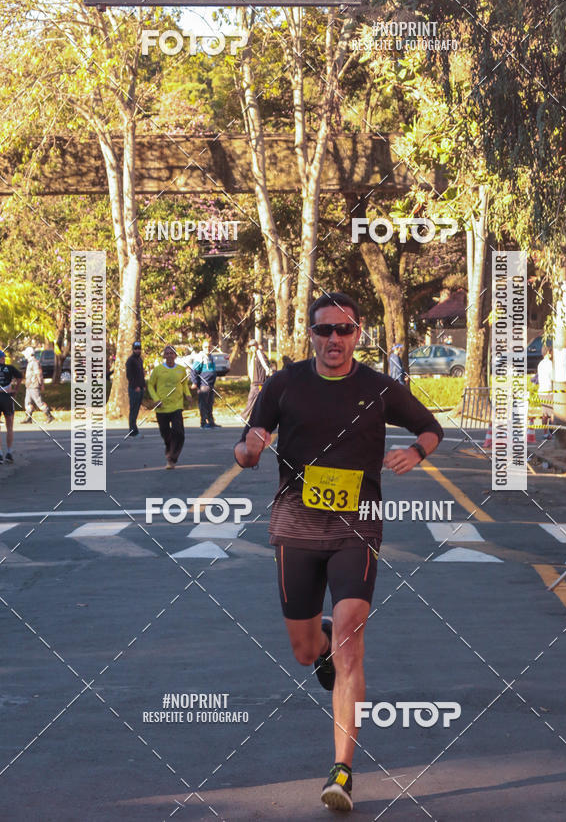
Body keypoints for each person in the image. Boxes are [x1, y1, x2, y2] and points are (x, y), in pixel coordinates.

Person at [234, 292, 443, 812]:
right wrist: (248, 451)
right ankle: (320, 642)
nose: (334, 339)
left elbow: (431, 427)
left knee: (352, 644)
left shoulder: (377, 387)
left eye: (344, 330)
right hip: (296, 527)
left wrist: (415, 453)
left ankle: (342, 772)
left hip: (358, 528)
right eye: (324, 330)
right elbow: (252, 436)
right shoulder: (284, 383)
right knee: (307, 652)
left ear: (358, 333)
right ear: (311, 334)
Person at [147, 345, 191, 469]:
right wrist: (156, 400)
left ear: (175, 356)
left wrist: (187, 395)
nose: (170, 355)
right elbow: (150, 385)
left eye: (172, 353)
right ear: (164, 356)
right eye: (167, 353)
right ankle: (169, 450)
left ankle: (172, 458)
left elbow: (184, 384)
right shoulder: (158, 370)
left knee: (179, 432)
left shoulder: (181, 370)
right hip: (162, 407)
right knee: (165, 433)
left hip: (177, 405)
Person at [0, 349, 24, 464]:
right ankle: (9, 453)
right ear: (3, 358)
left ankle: (0, 454)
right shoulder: (9, 368)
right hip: (7, 397)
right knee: (9, 425)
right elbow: (20, 377)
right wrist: (16, 389)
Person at [191, 339, 220, 428]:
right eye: (205, 347)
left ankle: (211, 421)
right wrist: (195, 382)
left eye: (209, 347)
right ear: (202, 347)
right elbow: (194, 370)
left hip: (211, 385)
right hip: (203, 384)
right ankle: (203, 422)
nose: (207, 348)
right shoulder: (200, 357)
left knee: (210, 404)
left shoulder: (211, 356)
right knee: (203, 404)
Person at [241, 339, 271, 420]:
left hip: (258, 382)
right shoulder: (253, 355)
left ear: (256, 345)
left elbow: (265, 365)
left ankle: (244, 416)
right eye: (250, 346)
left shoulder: (259, 353)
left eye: (253, 346)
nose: (252, 348)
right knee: (256, 400)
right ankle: (259, 417)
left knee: (251, 398)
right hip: (255, 381)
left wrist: (266, 375)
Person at [22, 347, 55, 424]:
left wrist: (41, 384)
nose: (25, 355)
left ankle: (49, 416)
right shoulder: (30, 362)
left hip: (34, 385)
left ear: (29, 354)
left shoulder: (34, 362)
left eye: (26, 354)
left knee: (39, 402)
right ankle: (28, 418)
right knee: (27, 402)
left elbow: (39, 374)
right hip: (29, 386)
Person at [125, 340, 145, 437]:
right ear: (133, 349)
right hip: (134, 389)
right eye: (136, 349)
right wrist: (135, 386)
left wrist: (143, 385)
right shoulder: (130, 360)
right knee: (133, 410)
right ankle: (132, 430)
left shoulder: (139, 360)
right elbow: (129, 376)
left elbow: (141, 374)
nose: (138, 350)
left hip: (140, 388)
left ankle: (134, 428)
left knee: (136, 410)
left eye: (139, 349)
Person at [537, 346, 554, 439]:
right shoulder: (550, 363)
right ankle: (552, 433)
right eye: (550, 351)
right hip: (549, 390)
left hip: (541, 390)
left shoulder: (540, 364)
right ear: (548, 352)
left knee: (544, 413)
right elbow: (552, 377)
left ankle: (544, 433)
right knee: (552, 413)